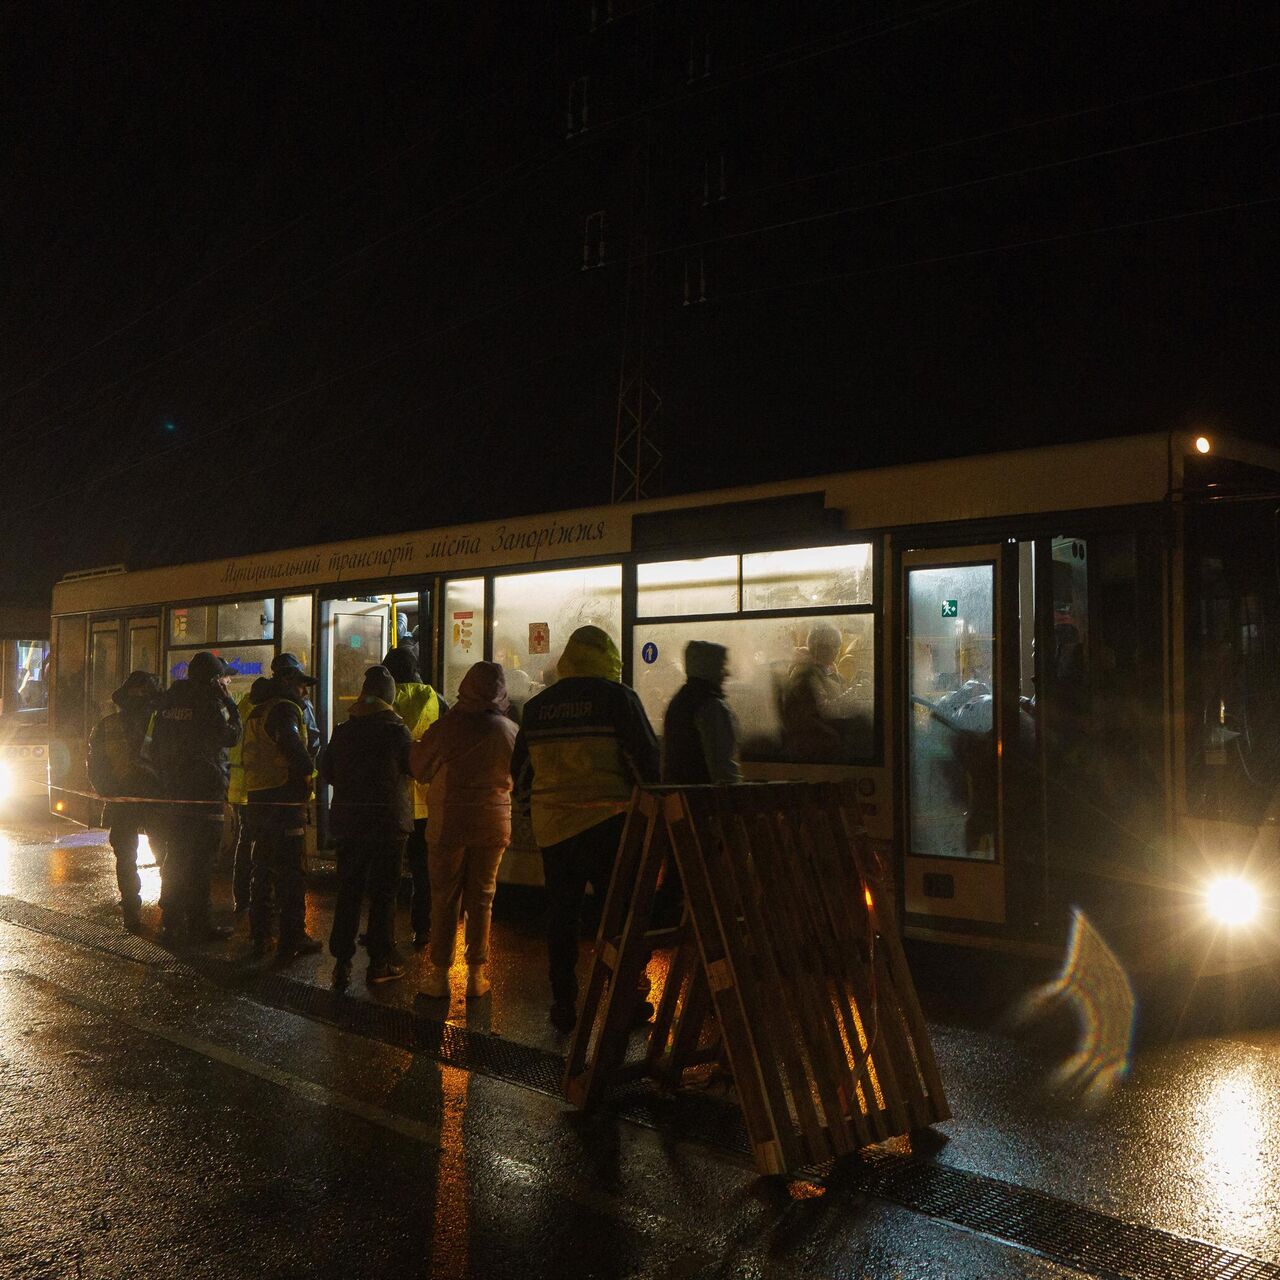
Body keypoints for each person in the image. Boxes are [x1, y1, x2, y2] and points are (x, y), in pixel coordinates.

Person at [512, 625, 659, 1034]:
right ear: (608, 656)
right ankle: (626, 1000)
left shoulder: (538, 707)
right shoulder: (618, 698)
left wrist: (534, 809)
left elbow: (521, 772)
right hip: (609, 825)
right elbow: (646, 763)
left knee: (562, 918)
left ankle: (564, 1005)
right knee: (622, 917)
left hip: (554, 829)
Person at [411, 661, 518, 1001]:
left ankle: (439, 976)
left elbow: (418, 768)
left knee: (444, 898)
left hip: (448, 825)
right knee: (483, 896)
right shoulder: (510, 731)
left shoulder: (446, 728)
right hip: (493, 823)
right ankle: (476, 975)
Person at [320, 665, 412, 988]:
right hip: (389, 824)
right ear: (390, 698)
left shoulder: (344, 731)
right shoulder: (397, 731)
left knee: (349, 891)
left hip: (349, 823)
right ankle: (379, 962)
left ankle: (342, 963)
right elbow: (413, 767)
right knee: (384, 894)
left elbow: (326, 771)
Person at [146, 651, 241, 944]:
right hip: (204, 792)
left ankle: (171, 920)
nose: (227, 682)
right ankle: (199, 923)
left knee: (175, 857)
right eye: (224, 677)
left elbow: (153, 745)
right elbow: (231, 736)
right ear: (214, 680)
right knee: (200, 861)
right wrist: (229, 703)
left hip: (174, 793)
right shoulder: (210, 705)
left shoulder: (168, 704)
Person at [242, 652, 321, 961]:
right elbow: (292, 745)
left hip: (259, 798)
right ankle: (292, 937)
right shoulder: (284, 709)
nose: (305, 692)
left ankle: (260, 935)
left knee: (261, 868)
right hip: (283, 799)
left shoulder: (258, 708)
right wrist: (306, 775)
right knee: (291, 872)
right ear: (289, 683)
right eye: (302, 685)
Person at [87, 670, 165, 932]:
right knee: (165, 853)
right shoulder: (161, 723)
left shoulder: (106, 725)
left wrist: (109, 792)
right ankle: (171, 910)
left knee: (126, 857)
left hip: (121, 802)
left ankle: (131, 911)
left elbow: (94, 766)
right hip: (156, 801)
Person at [382, 645, 445, 949]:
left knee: (387, 873)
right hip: (425, 799)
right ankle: (423, 929)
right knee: (423, 871)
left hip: (390, 801)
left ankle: (383, 932)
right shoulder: (434, 698)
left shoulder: (383, 698)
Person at [661, 641, 743, 785]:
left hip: (678, 797)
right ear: (710, 668)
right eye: (722, 666)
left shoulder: (679, 701)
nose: (727, 674)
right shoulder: (711, 706)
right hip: (703, 798)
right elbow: (722, 765)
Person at [781, 623, 850, 761]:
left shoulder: (828, 672)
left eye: (837, 645)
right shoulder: (806, 675)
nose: (836, 650)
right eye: (832, 646)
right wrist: (850, 696)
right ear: (818, 647)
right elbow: (822, 711)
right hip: (814, 748)